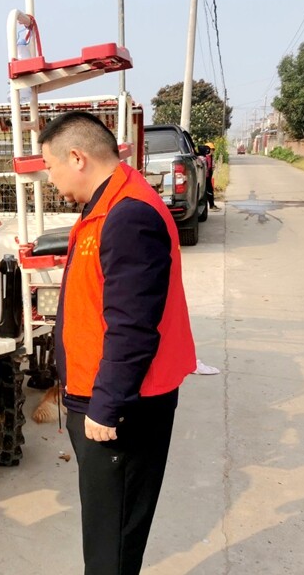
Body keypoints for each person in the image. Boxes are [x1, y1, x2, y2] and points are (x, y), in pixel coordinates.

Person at [38, 112, 196, 575]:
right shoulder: (106, 206)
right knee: (106, 527)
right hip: (101, 394)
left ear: (77, 157)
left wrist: (107, 407)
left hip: (124, 406)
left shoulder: (129, 214)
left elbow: (132, 326)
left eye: (50, 167)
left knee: (113, 539)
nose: (50, 180)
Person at [203, 142, 220, 210]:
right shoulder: (204, 158)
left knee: (210, 191)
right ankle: (211, 206)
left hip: (208, 177)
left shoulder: (211, 157)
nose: (212, 151)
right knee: (207, 192)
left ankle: (212, 205)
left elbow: (211, 167)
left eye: (213, 149)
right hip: (204, 178)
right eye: (211, 149)